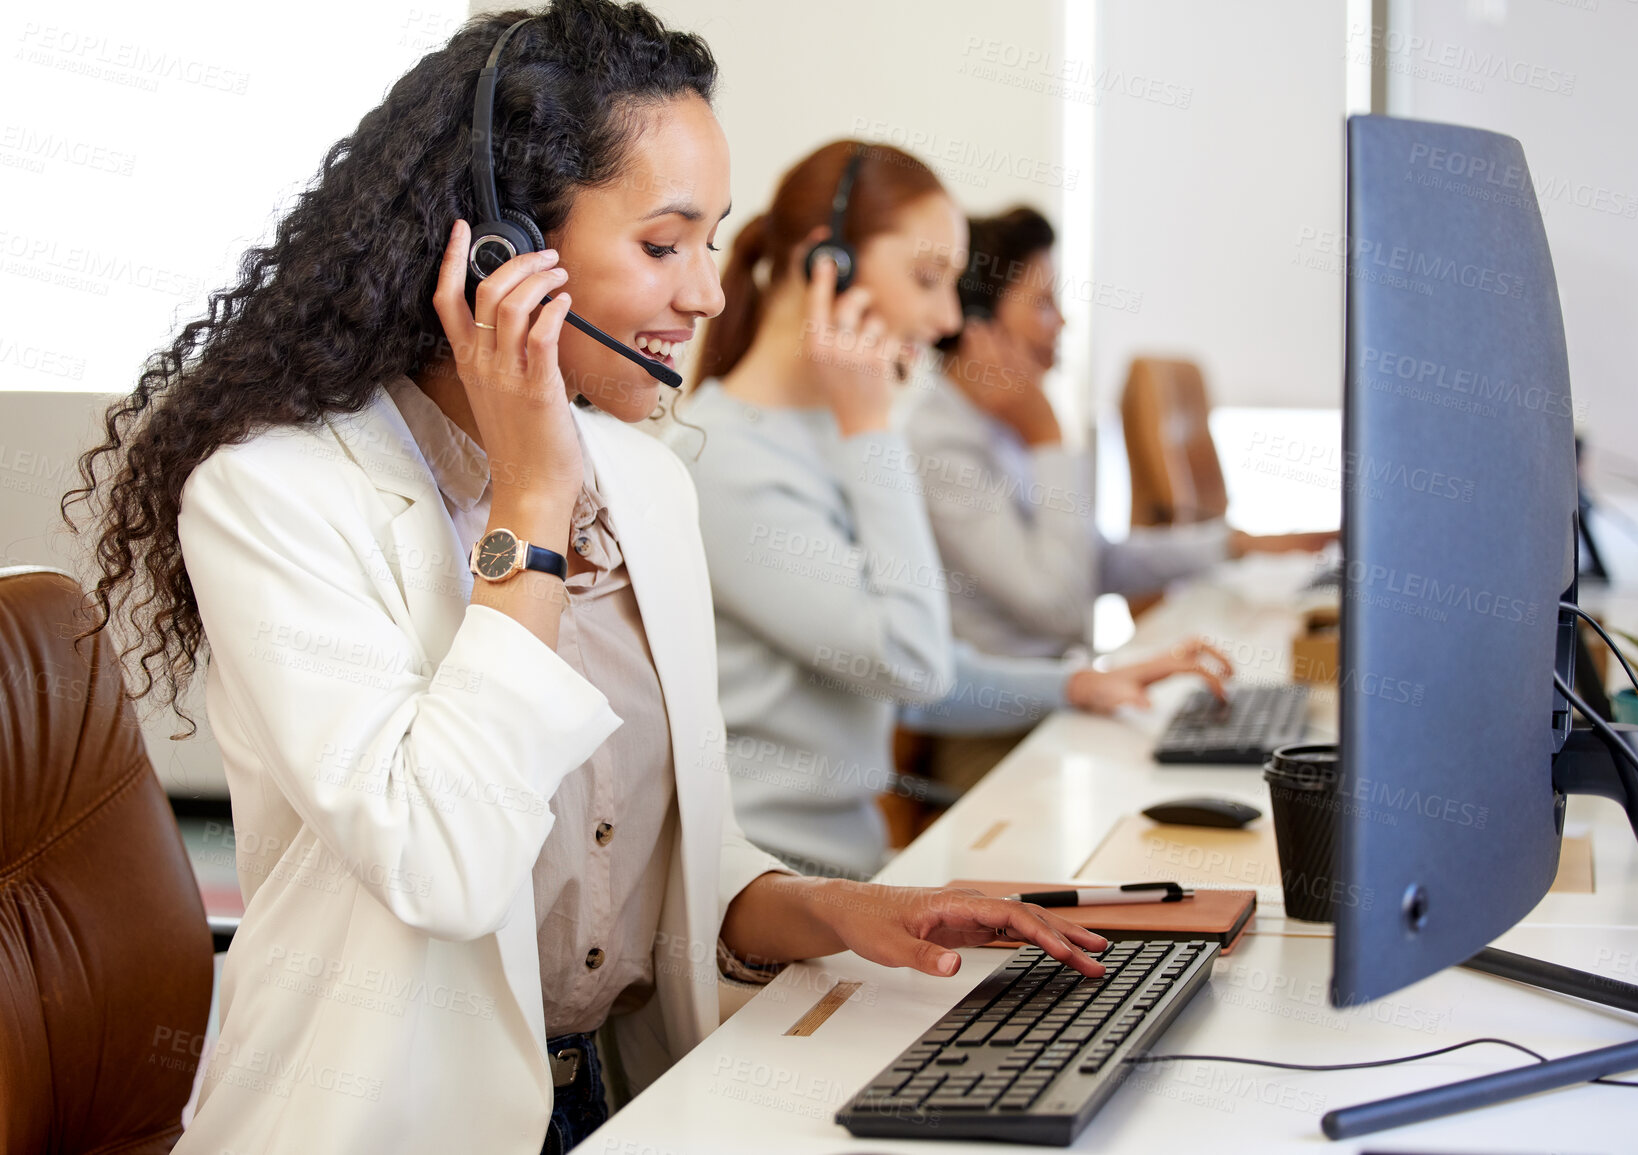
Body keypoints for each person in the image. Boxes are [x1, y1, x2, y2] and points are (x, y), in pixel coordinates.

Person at [64, 9, 1110, 1153]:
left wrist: (830, 906)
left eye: (709, 243)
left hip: (617, 1100)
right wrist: (530, 503)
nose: (708, 295)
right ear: (504, 251)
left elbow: (636, 860)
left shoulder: (645, 481)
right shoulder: (274, 495)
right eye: (664, 247)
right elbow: (446, 864)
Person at [673, 142, 1231, 879]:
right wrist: (871, 429)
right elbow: (910, 661)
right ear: (824, 263)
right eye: (927, 278)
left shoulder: (824, 435)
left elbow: (917, 672)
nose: (944, 318)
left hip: (851, 870)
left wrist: (1076, 684)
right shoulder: (725, 461)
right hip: (770, 894)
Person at [910, 206, 1335, 663]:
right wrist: (1047, 438)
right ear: (979, 326)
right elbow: (1062, 608)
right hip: (1006, 724)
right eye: (1044, 303)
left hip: (1060, 693)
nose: (1062, 323)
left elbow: (1092, 561)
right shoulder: (942, 446)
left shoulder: (999, 423)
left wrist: (1235, 544)